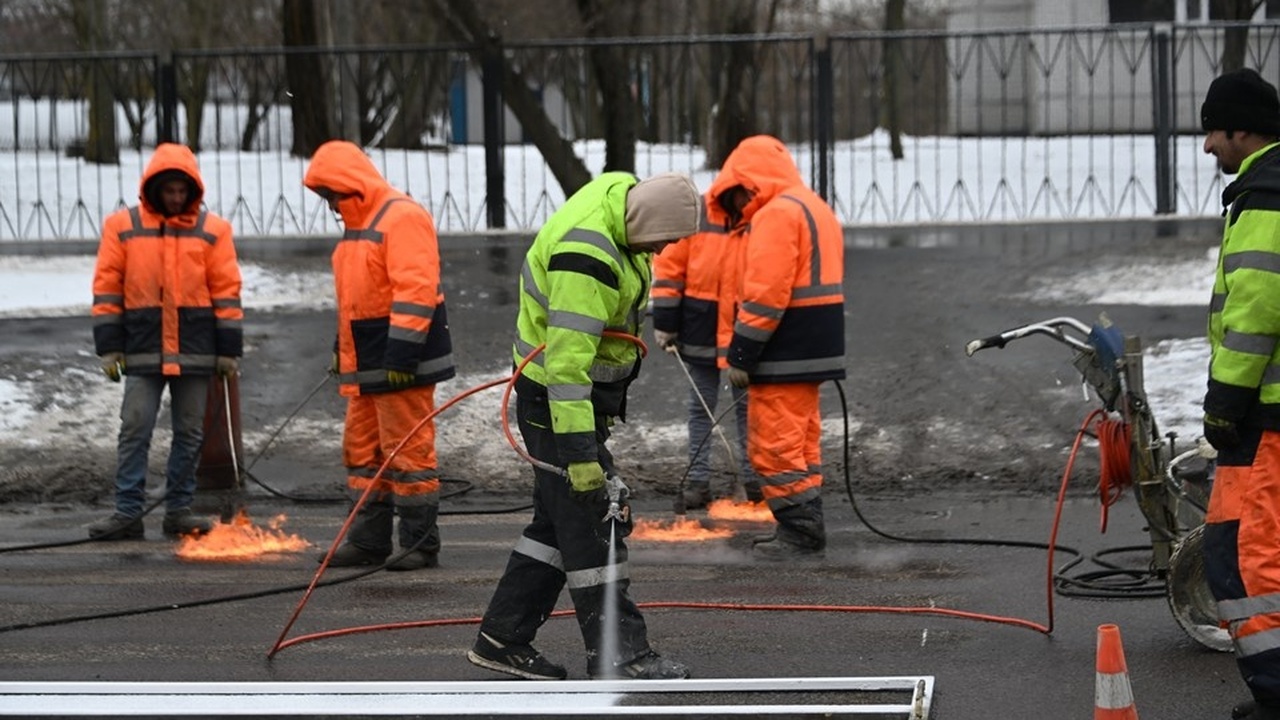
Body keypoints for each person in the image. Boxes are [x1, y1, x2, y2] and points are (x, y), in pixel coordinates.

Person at [467, 171, 699, 681]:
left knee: (555, 525)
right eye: (666, 238)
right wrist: (579, 456)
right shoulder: (588, 255)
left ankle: (502, 638)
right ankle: (621, 654)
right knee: (596, 519)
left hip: (571, 401)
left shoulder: (622, 215)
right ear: (648, 221)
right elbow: (566, 368)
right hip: (557, 402)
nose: (664, 250)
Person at [303, 140, 455, 572]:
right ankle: (368, 542)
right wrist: (341, 349)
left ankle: (420, 544)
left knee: (408, 454)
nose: (330, 204)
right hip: (370, 359)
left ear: (348, 184)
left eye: (331, 194)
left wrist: (401, 357)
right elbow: (356, 302)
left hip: (401, 361)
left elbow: (415, 291)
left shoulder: (400, 216)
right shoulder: (358, 226)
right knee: (363, 452)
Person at [88, 143, 242, 540]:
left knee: (190, 432)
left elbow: (226, 293)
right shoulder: (121, 227)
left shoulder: (214, 231)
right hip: (143, 346)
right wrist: (109, 347)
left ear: (192, 191)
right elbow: (107, 289)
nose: (175, 198)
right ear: (153, 189)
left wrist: (227, 352)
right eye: (169, 191)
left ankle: (178, 511)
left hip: (195, 349)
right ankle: (127, 512)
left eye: (181, 191)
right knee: (134, 427)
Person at [704, 135, 846, 560]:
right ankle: (806, 520)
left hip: (784, 349)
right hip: (815, 345)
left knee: (773, 444)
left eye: (737, 197)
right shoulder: (813, 206)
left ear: (749, 183)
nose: (738, 210)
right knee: (802, 442)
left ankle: (800, 533)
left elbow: (766, 295)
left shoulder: (776, 215)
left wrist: (742, 353)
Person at [1197, 68, 1280, 720]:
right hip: (1266, 417)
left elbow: (1253, 315)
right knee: (1242, 551)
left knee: (1246, 561)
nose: (1206, 148)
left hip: (1263, 419)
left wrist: (1224, 401)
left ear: (1243, 130)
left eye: (1213, 131)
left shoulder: (1266, 197)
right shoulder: (1263, 189)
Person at [651, 206, 760, 510]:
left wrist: (667, 322)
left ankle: (749, 480)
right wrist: (666, 322)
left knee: (743, 407)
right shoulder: (705, 215)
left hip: (735, 326)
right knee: (710, 407)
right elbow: (671, 269)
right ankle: (705, 482)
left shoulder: (756, 213)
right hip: (712, 327)